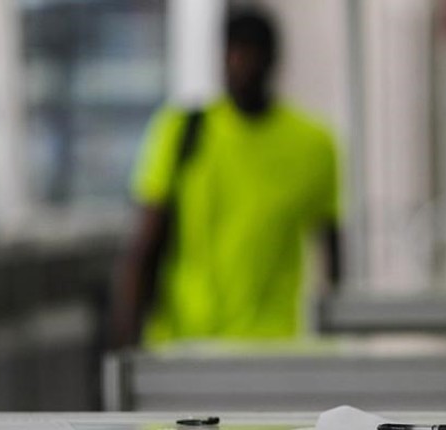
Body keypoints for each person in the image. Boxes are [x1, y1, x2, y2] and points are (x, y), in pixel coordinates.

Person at [113, 6, 341, 348]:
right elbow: (146, 244)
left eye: (251, 53)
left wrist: (335, 340)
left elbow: (332, 253)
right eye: (232, 52)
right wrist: (126, 345)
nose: (240, 65)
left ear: (273, 60)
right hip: (184, 343)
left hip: (272, 347)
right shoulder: (182, 131)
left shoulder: (314, 145)